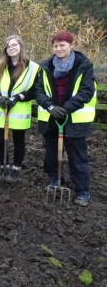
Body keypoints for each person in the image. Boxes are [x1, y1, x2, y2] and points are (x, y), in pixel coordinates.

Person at [36, 31, 96, 206]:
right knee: (52, 153)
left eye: (62, 45)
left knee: (77, 156)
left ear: (72, 45)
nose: (58, 49)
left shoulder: (83, 66)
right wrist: (50, 106)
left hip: (74, 118)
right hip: (52, 117)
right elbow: (39, 91)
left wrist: (67, 108)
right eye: (55, 45)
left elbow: (86, 91)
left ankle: (82, 190)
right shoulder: (46, 66)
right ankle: (55, 178)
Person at [0, 35, 40, 183]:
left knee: (18, 141)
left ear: (21, 46)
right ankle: (3, 165)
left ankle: (16, 168)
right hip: (2, 110)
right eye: (8, 46)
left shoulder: (33, 67)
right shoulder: (0, 66)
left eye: (14, 45)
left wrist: (19, 97)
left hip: (19, 111)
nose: (11, 48)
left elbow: (36, 90)